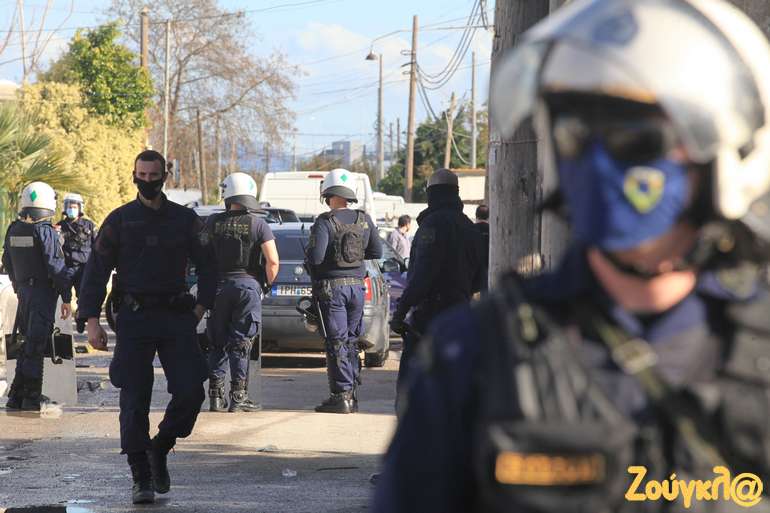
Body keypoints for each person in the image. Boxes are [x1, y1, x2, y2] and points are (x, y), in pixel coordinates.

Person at [374, 1, 770, 512]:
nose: (600, 161)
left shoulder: (759, 354)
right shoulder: (475, 354)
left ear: (725, 151)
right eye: (575, 133)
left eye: (635, 137)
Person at [78, 150, 216, 505]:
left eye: (154, 176)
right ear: (134, 175)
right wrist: (91, 320)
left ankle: (161, 446)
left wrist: (200, 307)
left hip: (176, 316)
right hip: (134, 317)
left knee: (191, 391)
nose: (148, 181)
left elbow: (209, 265)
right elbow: (96, 270)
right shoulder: (120, 220)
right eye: (142, 175)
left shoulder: (185, 220)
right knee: (134, 398)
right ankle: (140, 475)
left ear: (165, 176)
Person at [389, 168, 482, 398]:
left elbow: (423, 274)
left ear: (432, 193)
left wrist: (400, 312)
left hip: (429, 317)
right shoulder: (469, 227)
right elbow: (480, 277)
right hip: (461, 312)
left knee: (411, 387)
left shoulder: (432, 226)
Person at [305, 168, 382, 414]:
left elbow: (316, 258)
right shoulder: (364, 219)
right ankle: (352, 393)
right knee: (350, 341)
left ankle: (341, 396)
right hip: (357, 288)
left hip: (333, 290)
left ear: (328, 194)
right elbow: (377, 252)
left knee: (336, 342)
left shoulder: (325, 221)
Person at [203, 172, 279, 413]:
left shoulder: (212, 222)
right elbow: (273, 261)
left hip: (218, 288)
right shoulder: (259, 224)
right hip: (247, 288)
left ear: (227, 194)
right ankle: (238, 397)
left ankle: (215, 397)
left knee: (217, 342)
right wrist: (265, 285)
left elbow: (201, 256)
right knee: (241, 343)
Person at [2, 182, 73, 411]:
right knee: (36, 344)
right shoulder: (45, 231)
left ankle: (17, 395)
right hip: (42, 293)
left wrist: (18, 286)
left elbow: (7, 261)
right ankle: (31, 397)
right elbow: (56, 267)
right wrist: (67, 297)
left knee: (27, 343)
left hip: (24, 292)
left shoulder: (14, 229)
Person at [56, 193, 96, 332]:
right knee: (63, 296)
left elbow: (97, 246)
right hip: (66, 267)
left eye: (74, 207)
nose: (71, 209)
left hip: (84, 267)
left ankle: (80, 316)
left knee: (84, 295)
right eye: (69, 206)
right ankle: (61, 322)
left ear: (80, 208)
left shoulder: (89, 225)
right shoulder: (60, 226)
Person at [474, 204, 490, 291]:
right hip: (487, 266)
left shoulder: (470, 229)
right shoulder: (492, 229)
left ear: (476, 215)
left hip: (472, 266)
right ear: (488, 216)